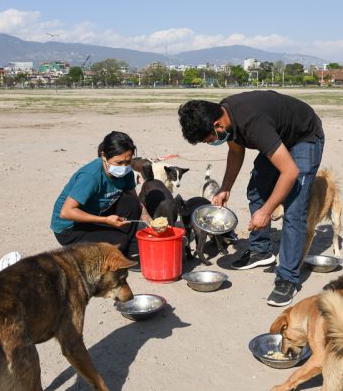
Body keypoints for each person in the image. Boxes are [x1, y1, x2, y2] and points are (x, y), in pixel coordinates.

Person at [178, 90, 324, 307]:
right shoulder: (226, 117)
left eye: (209, 140)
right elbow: (236, 152)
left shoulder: (253, 124)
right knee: (257, 189)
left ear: (218, 125)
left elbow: (290, 172)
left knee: (294, 207)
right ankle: (260, 250)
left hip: (304, 137)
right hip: (277, 137)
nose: (210, 144)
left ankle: (287, 278)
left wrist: (266, 211)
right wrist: (225, 188)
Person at [50, 131, 145, 257]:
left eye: (128, 162)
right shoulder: (91, 176)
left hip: (95, 214)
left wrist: (146, 216)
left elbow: (133, 197)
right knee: (119, 241)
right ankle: (116, 248)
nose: (124, 166)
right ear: (104, 156)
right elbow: (66, 212)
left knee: (131, 203)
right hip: (70, 228)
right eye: (119, 162)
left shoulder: (126, 171)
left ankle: (124, 246)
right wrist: (105, 220)